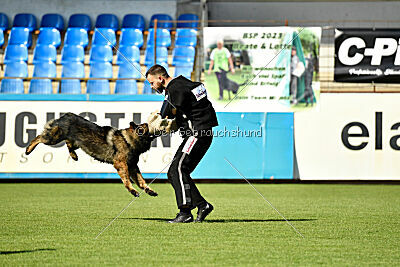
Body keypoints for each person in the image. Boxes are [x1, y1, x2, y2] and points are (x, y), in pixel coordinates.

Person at [146, 64, 219, 223]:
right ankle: (202, 205)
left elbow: (165, 114)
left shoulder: (174, 89)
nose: (152, 87)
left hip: (197, 134)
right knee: (176, 173)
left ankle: (185, 212)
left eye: (152, 83)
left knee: (177, 169)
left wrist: (159, 120)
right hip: (201, 133)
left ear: (160, 78)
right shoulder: (184, 84)